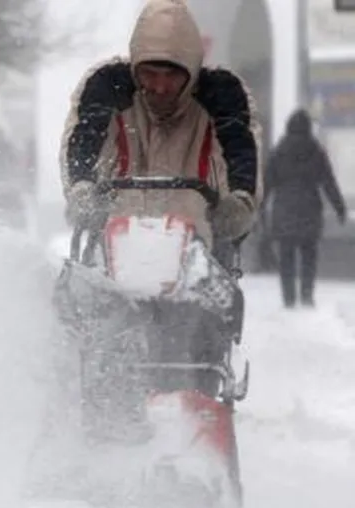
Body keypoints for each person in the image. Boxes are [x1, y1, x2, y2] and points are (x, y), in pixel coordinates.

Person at [59, 0, 262, 257]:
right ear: (135, 69)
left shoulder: (221, 102)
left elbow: (240, 154)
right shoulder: (109, 94)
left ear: (191, 71)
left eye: (171, 76)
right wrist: (81, 188)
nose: (160, 86)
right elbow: (83, 142)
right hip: (115, 245)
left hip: (199, 250)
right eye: (150, 74)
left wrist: (239, 203)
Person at [264, 109, 347, 308]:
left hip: (284, 209)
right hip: (310, 209)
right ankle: (307, 295)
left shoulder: (279, 151)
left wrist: (257, 208)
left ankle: (289, 298)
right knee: (309, 256)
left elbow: (266, 183)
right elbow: (329, 182)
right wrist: (340, 208)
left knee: (287, 257)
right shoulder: (316, 151)